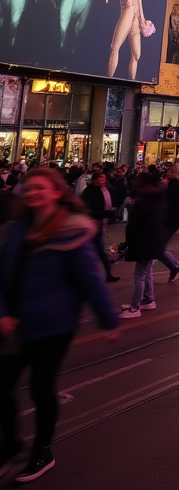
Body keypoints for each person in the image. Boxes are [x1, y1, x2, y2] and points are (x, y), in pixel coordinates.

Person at [0, 168, 119, 482]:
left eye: (41, 188)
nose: (34, 193)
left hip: (55, 324)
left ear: (56, 192)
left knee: (41, 388)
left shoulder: (71, 229)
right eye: (30, 188)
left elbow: (90, 279)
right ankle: (11, 444)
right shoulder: (18, 227)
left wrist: (108, 320)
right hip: (16, 322)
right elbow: (3, 274)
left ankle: (42, 450)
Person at [120, 171, 166, 318]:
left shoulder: (142, 201)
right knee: (146, 272)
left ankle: (135, 307)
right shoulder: (159, 198)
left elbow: (133, 225)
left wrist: (128, 243)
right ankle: (148, 299)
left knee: (139, 274)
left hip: (144, 241)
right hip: (154, 240)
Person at [80, 170, 119, 283]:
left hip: (97, 226)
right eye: (101, 179)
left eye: (104, 179)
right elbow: (90, 211)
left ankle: (106, 273)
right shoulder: (90, 193)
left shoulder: (101, 190)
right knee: (95, 252)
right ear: (94, 180)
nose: (104, 181)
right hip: (91, 226)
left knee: (99, 252)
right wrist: (107, 213)